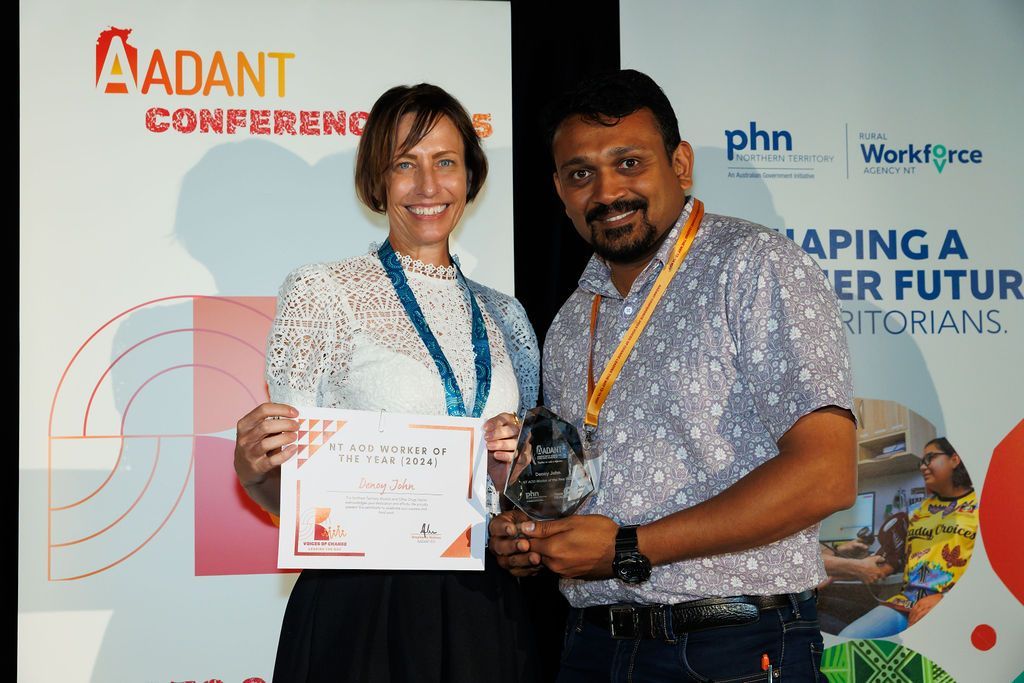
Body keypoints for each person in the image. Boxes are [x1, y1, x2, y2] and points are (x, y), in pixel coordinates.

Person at [487, 69, 857, 681]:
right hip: (593, 646)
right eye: (581, 174)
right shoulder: (573, 315)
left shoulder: (755, 267)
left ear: (680, 164)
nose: (607, 191)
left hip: (733, 644)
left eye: (629, 162)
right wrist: (530, 536)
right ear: (559, 190)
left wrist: (628, 547)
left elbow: (826, 475)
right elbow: (572, 488)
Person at [233, 83, 539, 683]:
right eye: (406, 163)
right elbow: (293, 492)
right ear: (378, 180)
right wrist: (254, 472)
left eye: (445, 162)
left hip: (487, 605)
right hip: (363, 606)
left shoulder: (509, 317)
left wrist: (517, 474)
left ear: (470, 178)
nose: (428, 186)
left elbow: (519, 494)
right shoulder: (324, 291)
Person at [839, 437, 977, 638]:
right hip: (906, 603)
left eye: (930, 458)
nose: (923, 466)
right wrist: (852, 563)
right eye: (921, 461)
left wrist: (947, 598)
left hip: (957, 604)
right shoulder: (914, 513)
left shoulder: (982, 507)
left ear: (955, 459)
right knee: (848, 640)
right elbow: (890, 562)